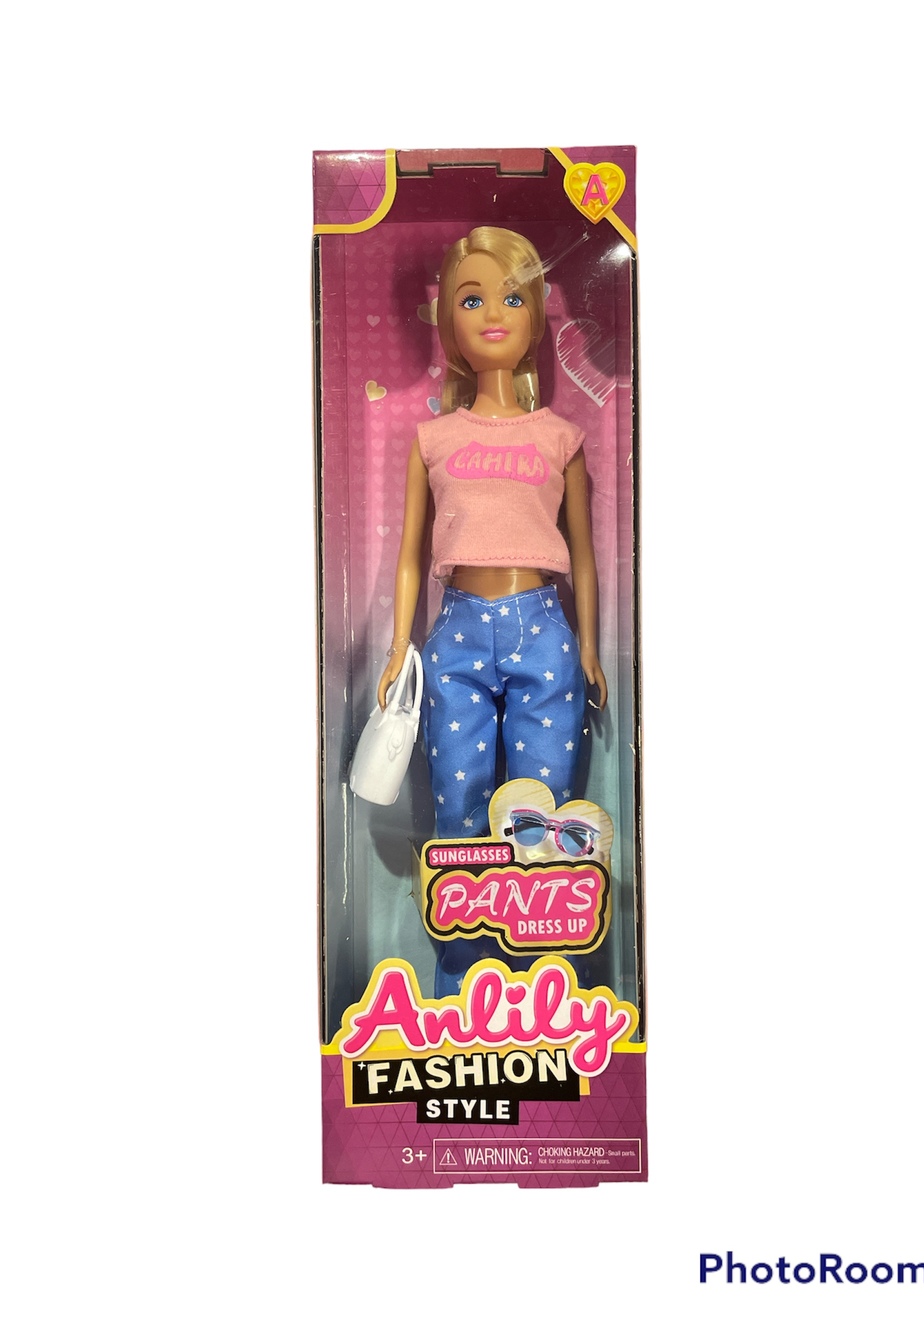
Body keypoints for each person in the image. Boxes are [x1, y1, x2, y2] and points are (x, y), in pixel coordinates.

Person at [378, 227, 607, 993]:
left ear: (537, 312)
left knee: (544, 819)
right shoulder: (433, 439)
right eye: (472, 300)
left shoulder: (561, 438)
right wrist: (398, 650)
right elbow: (410, 555)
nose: (494, 315)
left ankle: (541, 983)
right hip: (457, 630)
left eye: (512, 297)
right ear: (448, 317)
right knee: (458, 817)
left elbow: (583, 556)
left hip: (544, 629)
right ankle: (460, 986)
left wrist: (590, 646)